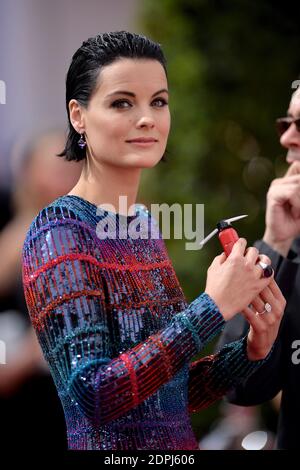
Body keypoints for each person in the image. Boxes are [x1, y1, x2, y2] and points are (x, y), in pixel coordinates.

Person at [21, 31, 285, 451]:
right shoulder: (60, 231)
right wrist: (212, 307)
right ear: (78, 115)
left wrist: (252, 349)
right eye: (122, 102)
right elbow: (96, 395)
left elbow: (166, 397)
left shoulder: (139, 224)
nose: (147, 118)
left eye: (158, 101)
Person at [217, 85, 300, 449]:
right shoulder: (291, 248)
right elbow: (237, 386)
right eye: (287, 122)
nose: (287, 137)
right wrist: (274, 241)